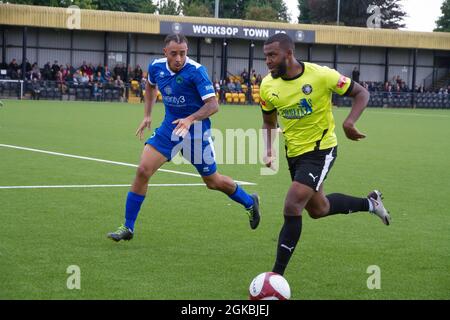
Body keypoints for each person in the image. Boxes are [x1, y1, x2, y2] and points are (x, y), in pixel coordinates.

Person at [259, 33, 391, 276]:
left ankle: (275, 277)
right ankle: (370, 203)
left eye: (272, 55)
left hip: (321, 150)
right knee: (318, 209)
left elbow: (361, 93)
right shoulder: (267, 85)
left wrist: (349, 122)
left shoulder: (321, 75)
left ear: (289, 54)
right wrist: (268, 149)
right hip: (294, 153)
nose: (267, 61)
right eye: (265, 56)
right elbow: (269, 122)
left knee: (292, 204)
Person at [107, 34, 260, 242]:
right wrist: (147, 115)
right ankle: (128, 226)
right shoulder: (156, 67)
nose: (179, 58)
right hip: (170, 129)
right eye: (174, 54)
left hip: (196, 132)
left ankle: (249, 201)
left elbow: (213, 105)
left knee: (213, 182)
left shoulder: (196, 71)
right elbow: (150, 87)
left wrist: (190, 119)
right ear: (165, 53)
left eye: (183, 53)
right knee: (143, 170)